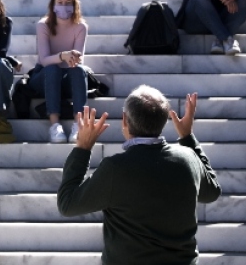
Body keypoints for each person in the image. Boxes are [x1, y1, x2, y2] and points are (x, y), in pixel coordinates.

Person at [57, 88, 221, 264]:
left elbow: (67, 204)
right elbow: (212, 192)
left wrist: (83, 148)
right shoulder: (188, 158)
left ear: (124, 121)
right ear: (164, 120)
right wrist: (187, 137)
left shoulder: (116, 168)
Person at [28, 0, 89, 143]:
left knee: (79, 70)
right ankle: (55, 125)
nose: (64, 6)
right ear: (53, 5)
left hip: (69, 74)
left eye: (68, 3)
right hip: (44, 75)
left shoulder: (81, 26)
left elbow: (79, 56)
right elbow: (44, 59)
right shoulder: (43, 25)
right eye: (60, 2)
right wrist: (62, 56)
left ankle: (78, 123)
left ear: (74, 5)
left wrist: (72, 58)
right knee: (52, 69)